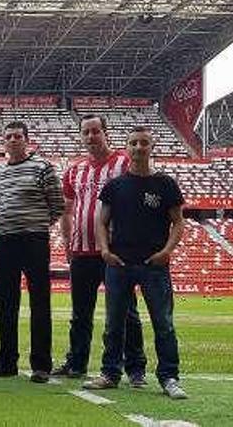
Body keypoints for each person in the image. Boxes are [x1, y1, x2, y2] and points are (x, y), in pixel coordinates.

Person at [84, 126, 187, 400]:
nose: (139, 148)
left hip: (154, 264)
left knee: (163, 323)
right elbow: (101, 222)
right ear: (127, 148)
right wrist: (105, 251)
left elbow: (178, 222)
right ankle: (110, 373)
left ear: (151, 147)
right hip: (119, 264)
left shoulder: (165, 184)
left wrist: (167, 251)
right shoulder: (115, 186)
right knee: (114, 323)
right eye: (134, 143)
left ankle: (169, 377)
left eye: (144, 143)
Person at [53, 115, 146, 384]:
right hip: (82, 251)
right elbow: (67, 211)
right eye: (86, 132)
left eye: (95, 131)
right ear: (81, 136)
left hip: (116, 252)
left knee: (126, 312)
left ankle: (135, 368)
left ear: (105, 133)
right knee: (80, 313)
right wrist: (68, 243)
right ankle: (77, 362)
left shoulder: (124, 163)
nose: (91, 136)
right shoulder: (74, 170)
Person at [0, 121, 64, 383]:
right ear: (4, 142)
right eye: (8, 137)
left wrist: (35, 225)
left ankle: (41, 365)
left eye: (18, 136)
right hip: (5, 240)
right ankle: (7, 362)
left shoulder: (42, 167)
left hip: (34, 240)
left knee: (40, 302)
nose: (13, 140)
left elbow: (57, 206)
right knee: (5, 304)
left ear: (27, 140)